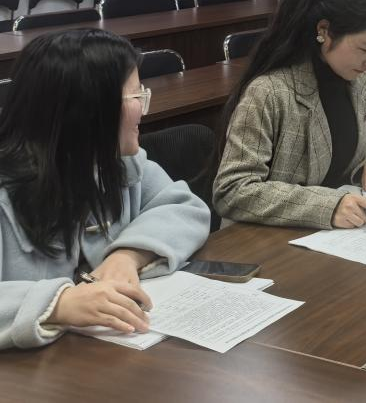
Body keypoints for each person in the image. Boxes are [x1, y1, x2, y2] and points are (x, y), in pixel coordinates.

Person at [0, 30, 210, 350]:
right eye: (135, 96)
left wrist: (128, 255)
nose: (144, 108)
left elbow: (185, 208)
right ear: (89, 110)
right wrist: (58, 303)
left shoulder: (115, 162)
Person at [213, 0, 366, 230]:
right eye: (365, 49)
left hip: (339, 236)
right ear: (324, 31)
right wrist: (327, 206)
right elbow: (233, 190)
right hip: (267, 241)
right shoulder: (270, 93)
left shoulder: (361, 81)